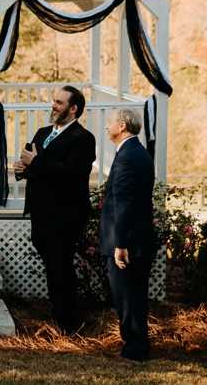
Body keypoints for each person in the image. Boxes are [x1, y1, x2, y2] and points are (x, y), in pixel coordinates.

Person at [13, 85, 96, 334]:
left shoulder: (82, 138)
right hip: (40, 212)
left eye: (59, 102)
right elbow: (36, 166)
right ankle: (56, 312)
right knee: (50, 265)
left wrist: (35, 162)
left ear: (73, 108)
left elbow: (71, 173)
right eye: (54, 101)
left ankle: (69, 323)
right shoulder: (42, 132)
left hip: (65, 214)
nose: (53, 105)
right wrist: (22, 169)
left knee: (62, 267)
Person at [99, 106, 156, 363]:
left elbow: (123, 203)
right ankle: (135, 346)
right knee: (134, 296)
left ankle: (135, 351)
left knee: (128, 298)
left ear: (122, 126)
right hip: (140, 238)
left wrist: (120, 244)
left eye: (110, 122)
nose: (107, 126)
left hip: (128, 242)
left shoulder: (126, 156)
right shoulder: (139, 152)